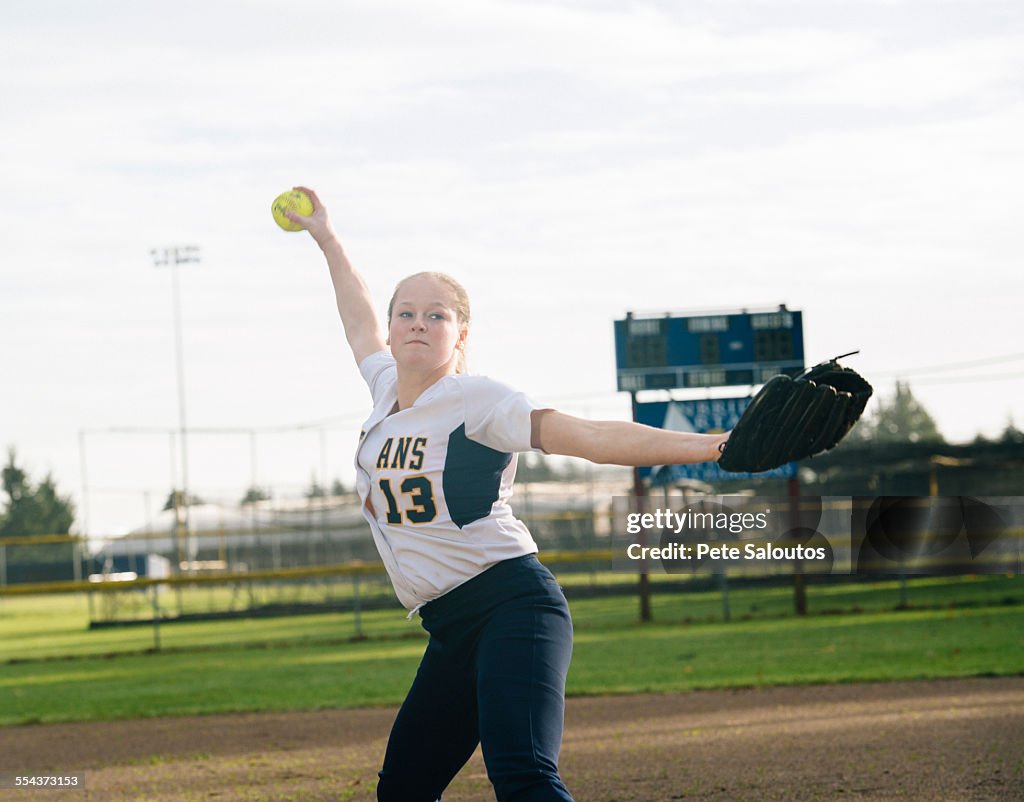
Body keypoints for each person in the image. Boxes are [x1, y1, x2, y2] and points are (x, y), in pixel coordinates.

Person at [286, 187, 729, 802]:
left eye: (437, 315)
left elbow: (589, 436)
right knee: (404, 791)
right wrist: (328, 238)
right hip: (449, 629)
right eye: (406, 312)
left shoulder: (478, 400)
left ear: (461, 334)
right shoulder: (385, 388)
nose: (419, 323)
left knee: (521, 773)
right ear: (391, 329)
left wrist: (712, 447)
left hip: (510, 607)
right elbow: (355, 316)